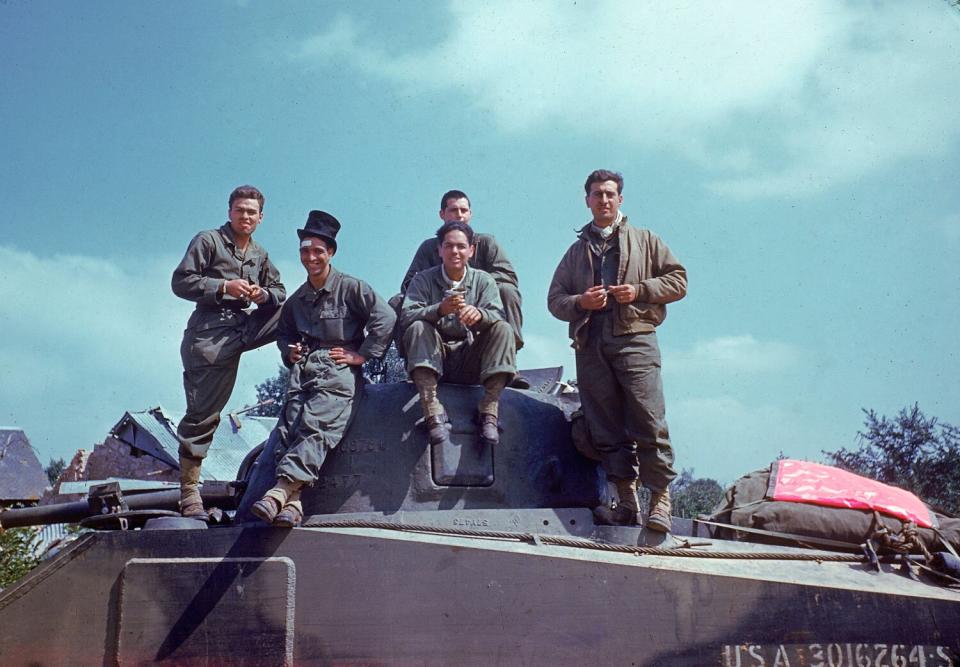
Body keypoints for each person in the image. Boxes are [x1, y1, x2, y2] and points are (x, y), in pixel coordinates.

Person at [547, 169, 687, 532]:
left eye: (610, 194)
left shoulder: (646, 240)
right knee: (604, 425)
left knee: (648, 418)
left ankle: (659, 501)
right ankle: (626, 502)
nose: (604, 200)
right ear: (588, 200)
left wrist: (639, 290)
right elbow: (555, 300)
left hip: (635, 336)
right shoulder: (577, 251)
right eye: (597, 194)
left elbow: (678, 280)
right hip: (591, 342)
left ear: (620, 199)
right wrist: (581, 301)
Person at [251, 211, 395, 527]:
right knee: (290, 428)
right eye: (305, 250)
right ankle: (295, 504)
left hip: (338, 368)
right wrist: (290, 351)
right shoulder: (297, 299)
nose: (311, 257)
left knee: (317, 424)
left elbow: (385, 318)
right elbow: (285, 332)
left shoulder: (351, 288)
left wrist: (363, 355)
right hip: (304, 370)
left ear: (330, 253)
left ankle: (281, 490)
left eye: (318, 251)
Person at [172, 185, 285, 519]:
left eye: (252, 212)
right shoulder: (208, 241)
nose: (246, 216)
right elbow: (181, 282)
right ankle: (189, 493)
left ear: (260, 218)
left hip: (245, 325)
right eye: (240, 210)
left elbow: (279, 290)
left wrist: (263, 295)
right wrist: (223, 287)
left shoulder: (260, 254)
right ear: (230, 212)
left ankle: (301, 364)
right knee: (203, 415)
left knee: (294, 311)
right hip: (210, 334)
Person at [400, 221, 517, 449]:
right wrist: (439, 310)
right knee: (417, 327)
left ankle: (489, 410)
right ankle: (432, 410)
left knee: (503, 329)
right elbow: (407, 316)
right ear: (440, 250)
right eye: (449, 246)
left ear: (471, 250)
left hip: (470, 359)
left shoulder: (484, 280)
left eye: (461, 246)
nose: (455, 251)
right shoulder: (423, 279)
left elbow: (497, 314)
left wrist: (480, 315)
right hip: (434, 358)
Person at [400, 190, 528, 389]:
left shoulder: (486, 242)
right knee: (397, 301)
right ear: (442, 214)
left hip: (480, 307)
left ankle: (508, 360)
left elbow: (507, 275)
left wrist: (474, 288)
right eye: (453, 210)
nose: (459, 215)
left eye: (463, 210)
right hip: (436, 308)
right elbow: (409, 282)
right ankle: (415, 363)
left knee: (508, 291)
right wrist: (437, 290)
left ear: (470, 214)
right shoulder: (429, 247)